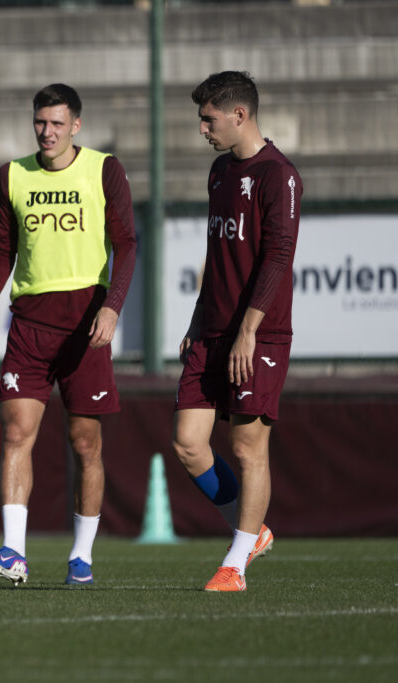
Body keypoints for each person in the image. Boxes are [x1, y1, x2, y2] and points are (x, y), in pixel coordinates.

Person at [0, 83, 136, 587]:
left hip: (87, 321)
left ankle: (81, 556)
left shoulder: (105, 169)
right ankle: (14, 553)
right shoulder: (12, 175)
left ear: (76, 126)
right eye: (41, 123)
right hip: (30, 324)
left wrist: (112, 306)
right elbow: (2, 250)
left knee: (85, 443)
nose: (47, 132)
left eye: (58, 124)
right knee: (16, 432)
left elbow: (126, 245)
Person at [172, 71, 301, 592]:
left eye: (209, 119)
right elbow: (216, 253)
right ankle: (251, 534)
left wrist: (249, 329)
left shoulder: (279, 175)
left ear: (239, 115)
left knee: (248, 448)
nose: (202, 128)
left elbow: (278, 256)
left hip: (258, 334)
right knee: (187, 443)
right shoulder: (219, 172)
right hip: (213, 330)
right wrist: (196, 318)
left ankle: (236, 564)